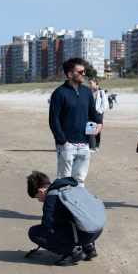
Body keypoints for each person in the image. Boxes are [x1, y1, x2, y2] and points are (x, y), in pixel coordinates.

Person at [26, 171, 101, 266]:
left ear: (41, 191)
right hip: (97, 230)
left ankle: (73, 252)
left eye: (37, 197)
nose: (39, 200)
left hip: (84, 235)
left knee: (34, 232)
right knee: (73, 218)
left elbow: (46, 224)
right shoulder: (69, 186)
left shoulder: (51, 198)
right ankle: (89, 248)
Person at [49, 58, 102, 188]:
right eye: (80, 72)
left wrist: (99, 123)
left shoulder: (86, 92)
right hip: (66, 145)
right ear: (70, 74)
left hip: (84, 144)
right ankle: (63, 208)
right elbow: (53, 119)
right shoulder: (59, 93)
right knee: (64, 182)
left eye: (84, 71)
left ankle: (77, 208)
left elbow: (92, 111)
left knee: (80, 181)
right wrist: (63, 141)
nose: (84, 74)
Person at [87, 78, 106, 152]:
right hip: (89, 113)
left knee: (98, 130)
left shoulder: (101, 92)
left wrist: (99, 111)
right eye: (89, 83)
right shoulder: (88, 92)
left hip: (98, 114)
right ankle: (92, 146)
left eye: (91, 83)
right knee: (90, 129)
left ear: (95, 83)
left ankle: (97, 145)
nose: (89, 84)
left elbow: (104, 104)